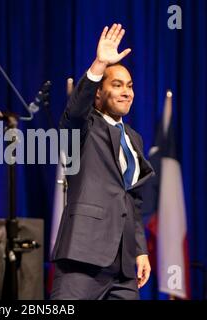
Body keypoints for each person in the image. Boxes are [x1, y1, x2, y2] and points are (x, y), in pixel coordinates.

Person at [51, 23, 154, 300]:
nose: (126, 92)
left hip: (123, 266)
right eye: (117, 85)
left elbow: (132, 200)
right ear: (98, 92)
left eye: (130, 86)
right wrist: (99, 65)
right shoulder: (85, 127)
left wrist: (141, 249)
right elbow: (72, 115)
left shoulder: (134, 138)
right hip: (83, 257)